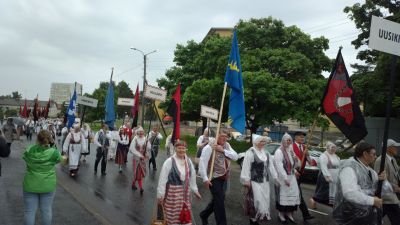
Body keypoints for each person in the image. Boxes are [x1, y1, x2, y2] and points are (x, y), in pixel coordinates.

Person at [333, 142, 389, 225]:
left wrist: (383, 180)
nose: (375, 156)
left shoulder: (371, 171)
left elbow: (385, 191)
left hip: (367, 215)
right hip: (351, 216)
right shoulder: (349, 168)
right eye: (373, 154)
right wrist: (372, 200)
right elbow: (349, 193)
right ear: (365, 154)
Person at [198, 129, 238, 225]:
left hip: (225, 177)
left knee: (218, 199)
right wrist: (205, 179)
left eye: (226, 136)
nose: (224, 138)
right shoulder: (209, 147)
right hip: (214, 177)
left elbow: (235, 156)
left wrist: (223, 150)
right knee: (219, 202)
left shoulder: (227, 146)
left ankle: (204, 214)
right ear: (217, 136)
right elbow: (202, 163)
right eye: (222, 136)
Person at [157, 140, 201, 225]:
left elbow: (192, 176)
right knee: (172, 217)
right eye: (179, 148)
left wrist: (195, 190)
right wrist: (160, 194)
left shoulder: (188, 161)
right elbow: (162, 179)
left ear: (186, 149)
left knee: (185, 215)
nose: (181, 150)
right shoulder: (169, 161)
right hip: (172, 196)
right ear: (175, 149)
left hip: (185, 195)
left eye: (183, 148)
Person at [22, 130, 61, 225]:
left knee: (29, 211)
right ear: (49, 139)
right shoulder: (54, 152)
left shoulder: (30, 150)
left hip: (30, 184)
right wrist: (53, 146)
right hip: (48, 185)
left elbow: (25, 157)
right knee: (46, 211)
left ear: (38, 139)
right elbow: (59, 160)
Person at [240, 134, 278, 225]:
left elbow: (271, 166)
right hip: (254, 181)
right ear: (256, 142)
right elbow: (246, 167)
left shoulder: (266, 153)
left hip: (265, 181)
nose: (262, 143)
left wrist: (276, 177)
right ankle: (253, 220)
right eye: (260, 141)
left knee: (264, 200)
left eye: (263, 141)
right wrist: (246, 179)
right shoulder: (251, 152)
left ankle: (258, 218)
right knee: (256, 201)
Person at [274, 133, 300, 224]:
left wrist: (296, 160)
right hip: (282, 177)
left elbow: (295, 166)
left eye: (289, 140)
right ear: (283, 140)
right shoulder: (279, 151)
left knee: (292, 195)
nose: (288, 142)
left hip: (292, 177)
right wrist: (285, 178)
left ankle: (289, 214)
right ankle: (281, 214)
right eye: (286, 140)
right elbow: (279, 166)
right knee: (283, 195)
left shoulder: (291, 151)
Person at [374, 139, 400, 225]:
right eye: (395, 147)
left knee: (377, 217)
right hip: (388, 196)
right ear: (388, 148)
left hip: (392, 195)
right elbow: (380, 179)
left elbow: (397, 173)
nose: (397, 148)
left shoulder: (393, 159)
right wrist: (395, 188)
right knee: (397, 219)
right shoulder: (380, 160)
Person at [292, 131, 315, 221]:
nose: (302, 139)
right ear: (296, 137)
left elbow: (310, 163)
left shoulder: (304, 147)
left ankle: (287, 212)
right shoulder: (291, 147)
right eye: (300, 137)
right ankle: (305, 214)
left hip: (301, 174)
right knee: (298, 194)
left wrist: (308, 155)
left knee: (296, 194)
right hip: (293, 173)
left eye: (303, 137)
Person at [310, 141, 341, 208]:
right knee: (323, 191)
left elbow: (339, 166)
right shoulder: (324, 156)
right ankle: (313, 200)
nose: (333, 149)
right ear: (328, 147)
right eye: (332, 147)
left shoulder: (336, 156)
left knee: (333, 191)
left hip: (335, 176)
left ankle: (333, 204)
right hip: (325, 176)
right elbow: (323, 167)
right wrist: (327, 176)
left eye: (334, 147)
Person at [129, 126, 150, 194]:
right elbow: (131, 149)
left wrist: (146, 152)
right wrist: (139, 155)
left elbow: (149, 147)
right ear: (137, 132)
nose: (141, 133)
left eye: (142, 132)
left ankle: (133, 184)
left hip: (143, 159)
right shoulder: (135, 139)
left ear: (143, 132)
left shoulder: (145, 139)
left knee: (139, 173)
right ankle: (141, 188)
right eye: (139, 132)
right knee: (137, 173)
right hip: (136, 159)